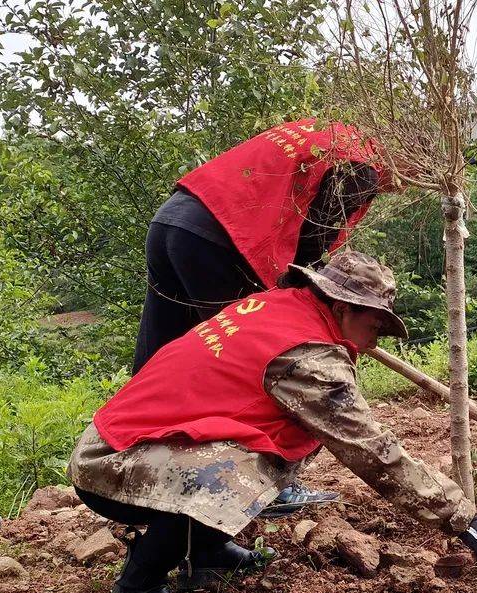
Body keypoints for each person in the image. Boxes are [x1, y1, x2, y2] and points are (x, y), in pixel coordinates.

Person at [69, 250, 477, 593]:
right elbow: (371, 451)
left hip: (134, 439)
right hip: (113, 460)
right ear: (345, 307)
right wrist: (464, 518)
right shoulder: (307, 356)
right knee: (238, 474)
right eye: (376, 326)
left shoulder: (279, 306)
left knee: (272, 448)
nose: (375, 340)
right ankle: (137, 587)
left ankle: (204, 551)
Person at [135, 119, 389, 513]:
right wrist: (310, 301)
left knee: (164, 357)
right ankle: (259, 487)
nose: (399, 189)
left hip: (173, 221)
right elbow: (315, 237)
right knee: (248, 367)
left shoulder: (328, 132)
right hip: (225, 241)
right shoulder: (363, 164)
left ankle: (132, 467)